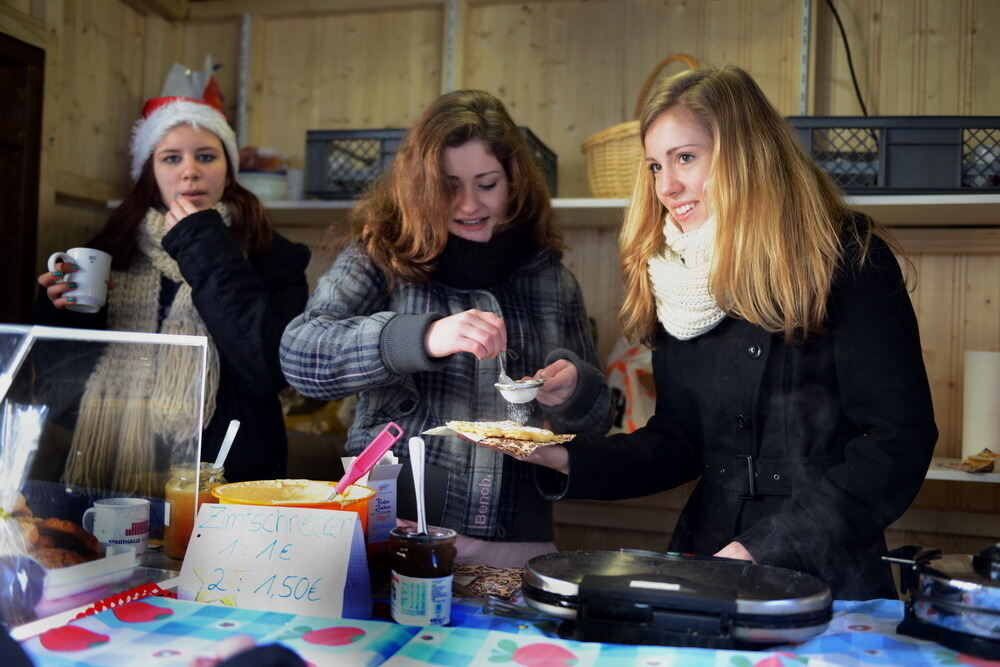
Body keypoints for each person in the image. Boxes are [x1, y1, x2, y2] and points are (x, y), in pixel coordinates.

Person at [487, 66, 938, 599]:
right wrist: (562, 455)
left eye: (685, 157)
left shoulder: (843, 256)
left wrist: (763, 548)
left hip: (821, 568)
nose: (666, 186)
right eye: (655, 165)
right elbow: (678, 441)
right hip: (708, 555)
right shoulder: (678, 281)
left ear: (744, 154)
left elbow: (896, 442)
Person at [280, 90, 613, 567]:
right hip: (391, 525)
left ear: (514, 183)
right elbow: (300, 356)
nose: (469, 204)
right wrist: (421, 338)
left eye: (487, 183)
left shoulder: (550, 277)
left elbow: (598, 421)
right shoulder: (381, 255)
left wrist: (576, 390)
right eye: (449, 186)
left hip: (516, 542)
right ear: (419, 187)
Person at [34, 96, 310, 493]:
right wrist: (62, 312)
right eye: (171, 159)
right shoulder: (110, 253)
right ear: (150, 174)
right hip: (115, 476)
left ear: (228, 172)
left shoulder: (274, 257)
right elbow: (58, 393)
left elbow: (265, 369)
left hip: (227, 477)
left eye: (206, 156)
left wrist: (204, 243)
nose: (190, 172)